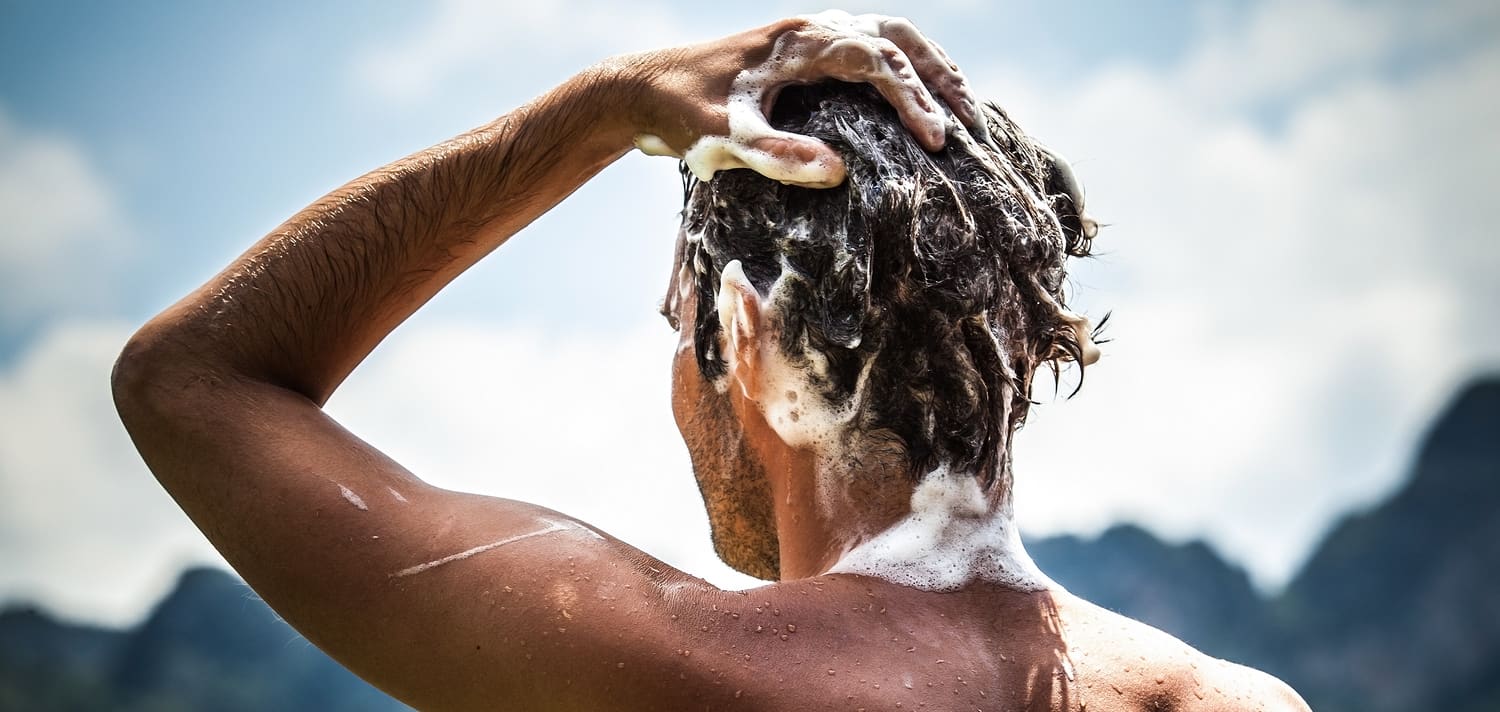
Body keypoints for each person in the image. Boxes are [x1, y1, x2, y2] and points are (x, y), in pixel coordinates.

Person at [111, 11, 1310, 711]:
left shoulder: (676, 668)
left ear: (748, 343)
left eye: (675, 332)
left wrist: (595, 112)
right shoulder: (1239, 704)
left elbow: (192, 380)